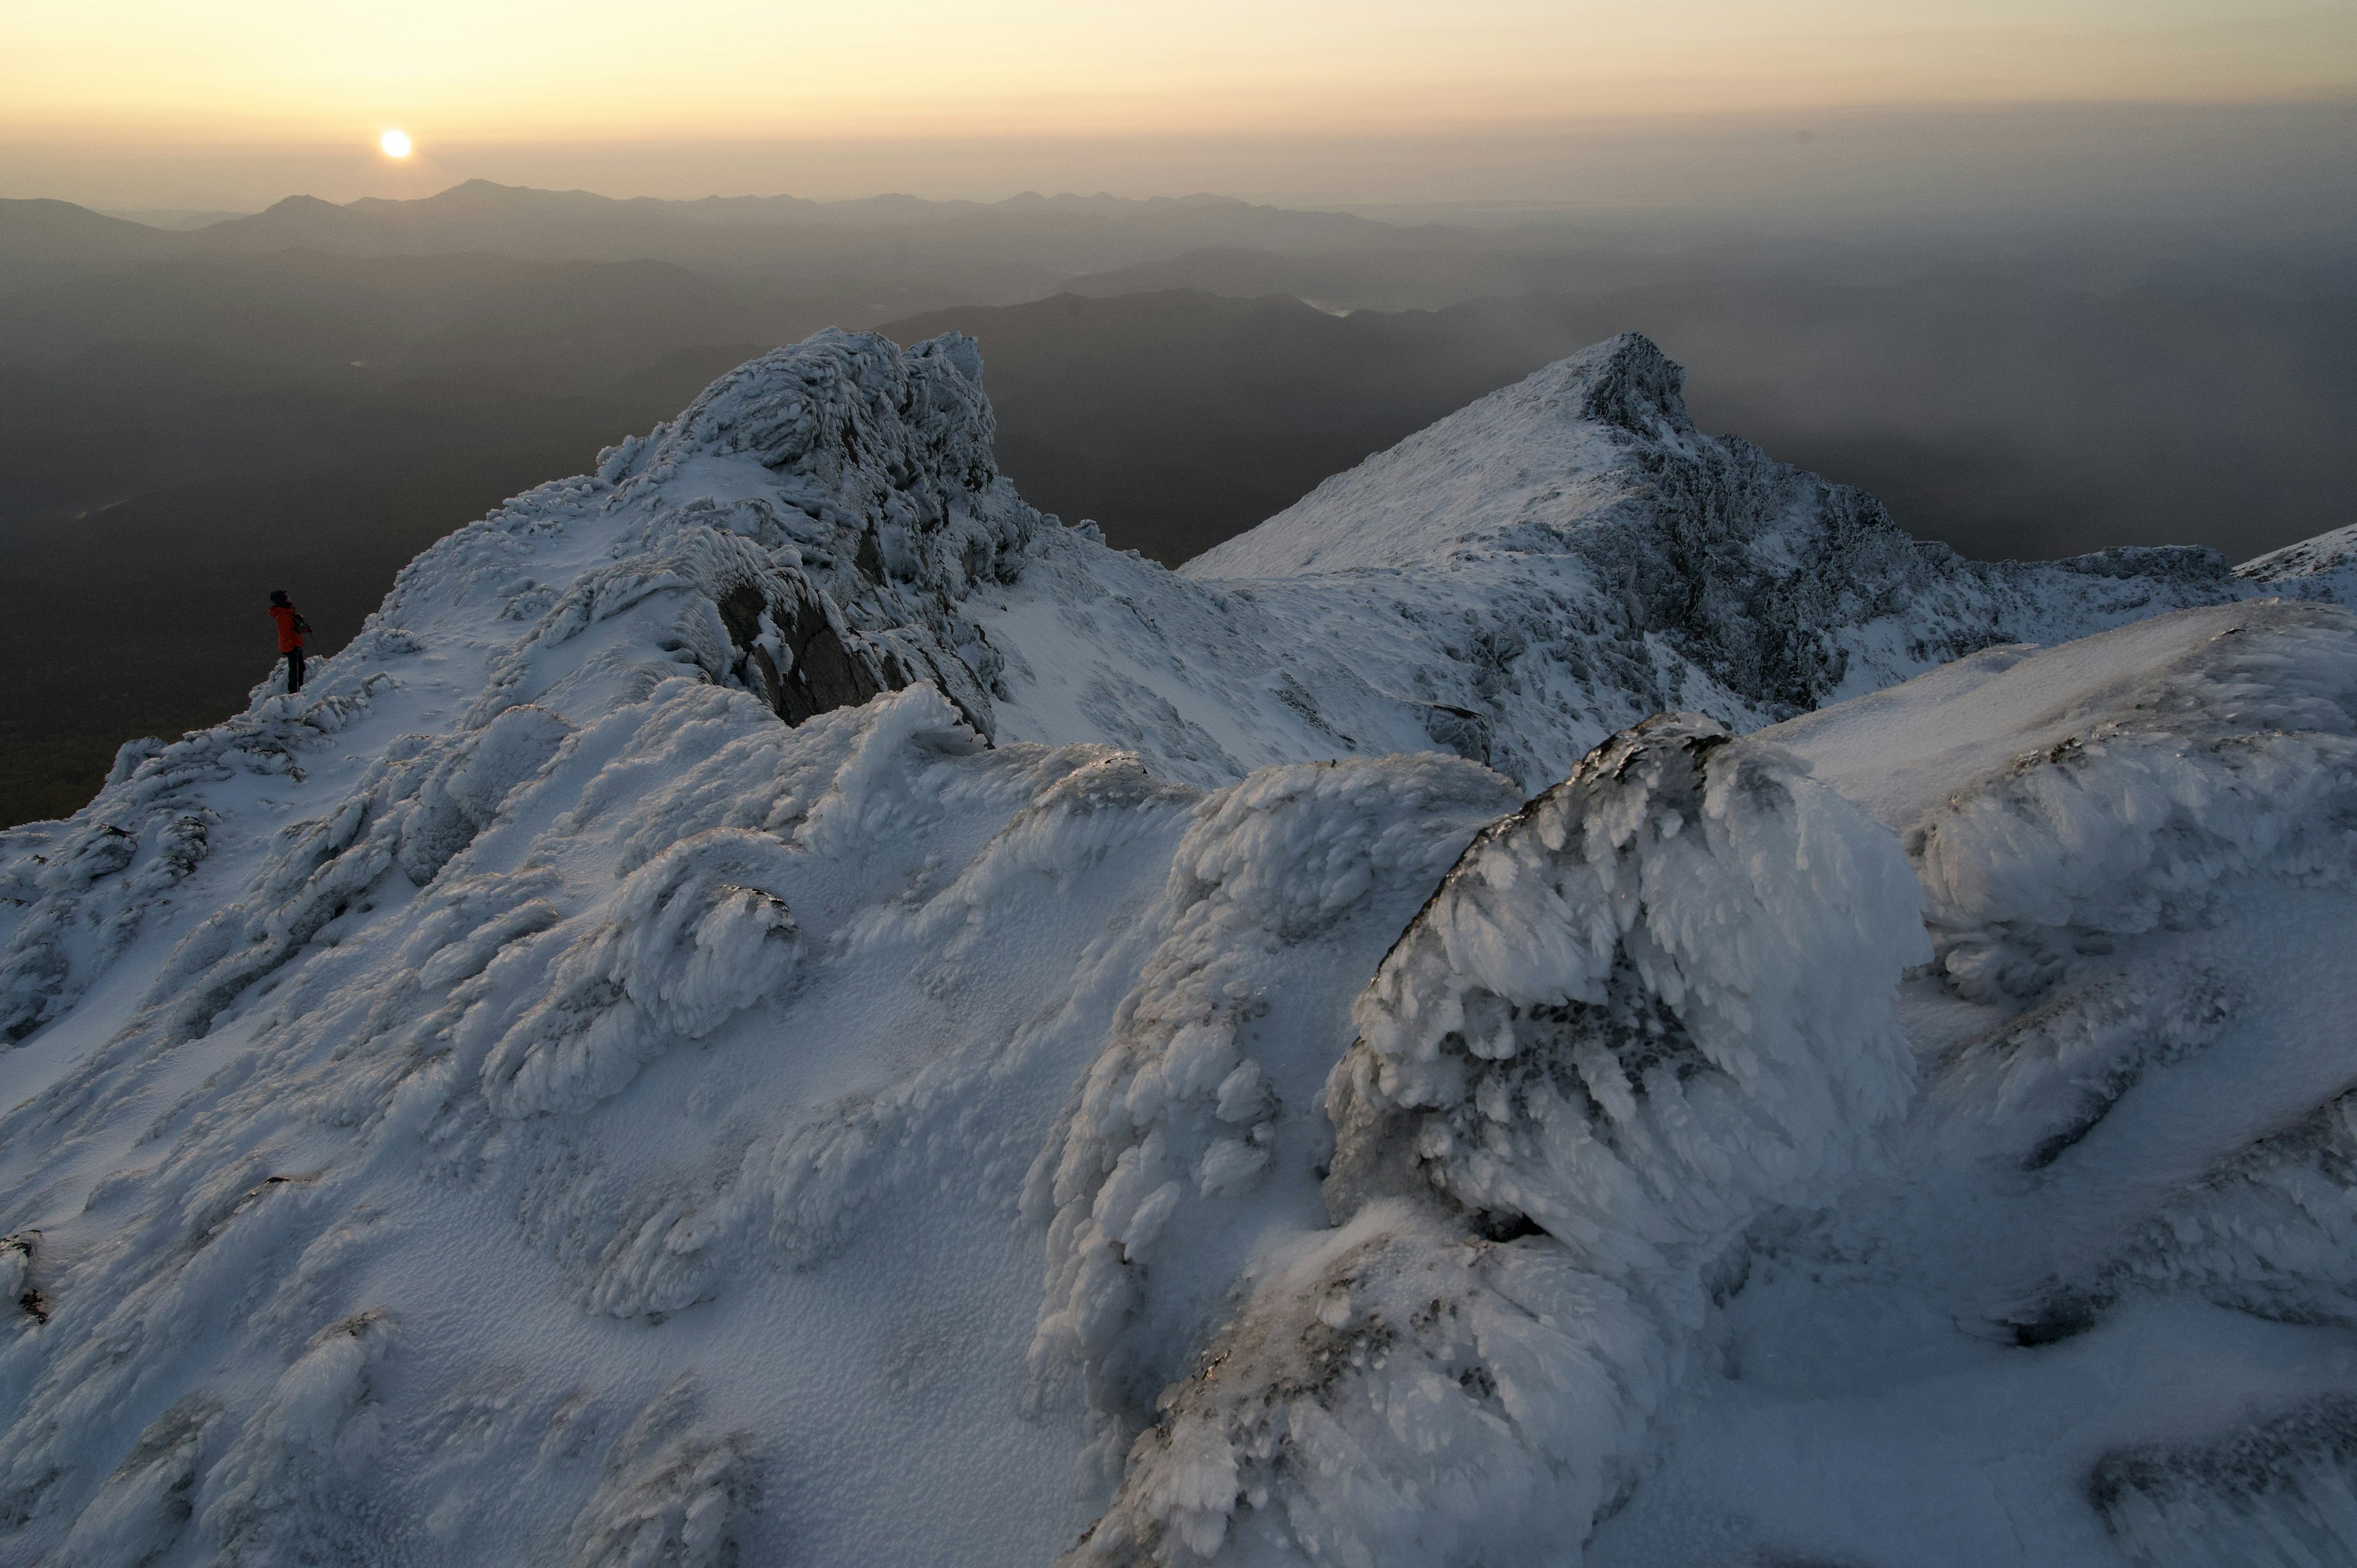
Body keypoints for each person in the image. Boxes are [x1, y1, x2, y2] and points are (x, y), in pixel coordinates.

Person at [268, 589, 313, 693]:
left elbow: (292, 630)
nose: (289, 598)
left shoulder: (286, 613)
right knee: (296, 669)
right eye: (286, 597)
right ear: (282, 600)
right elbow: (286, 633)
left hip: (292, 645)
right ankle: (295, 691)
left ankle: (296, 690)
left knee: (298, 668)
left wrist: (304, 628)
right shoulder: (283, 615)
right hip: (292, 646)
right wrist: (293, 646)